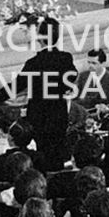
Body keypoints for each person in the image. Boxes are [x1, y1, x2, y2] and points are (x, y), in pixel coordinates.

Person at [17, 19, 77, 172]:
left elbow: (16, 86)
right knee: (57, 157)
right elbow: (72, 76)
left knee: (42, 158)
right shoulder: (65, 58)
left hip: (38, 119)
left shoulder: (33, 63)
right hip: (59, 115)